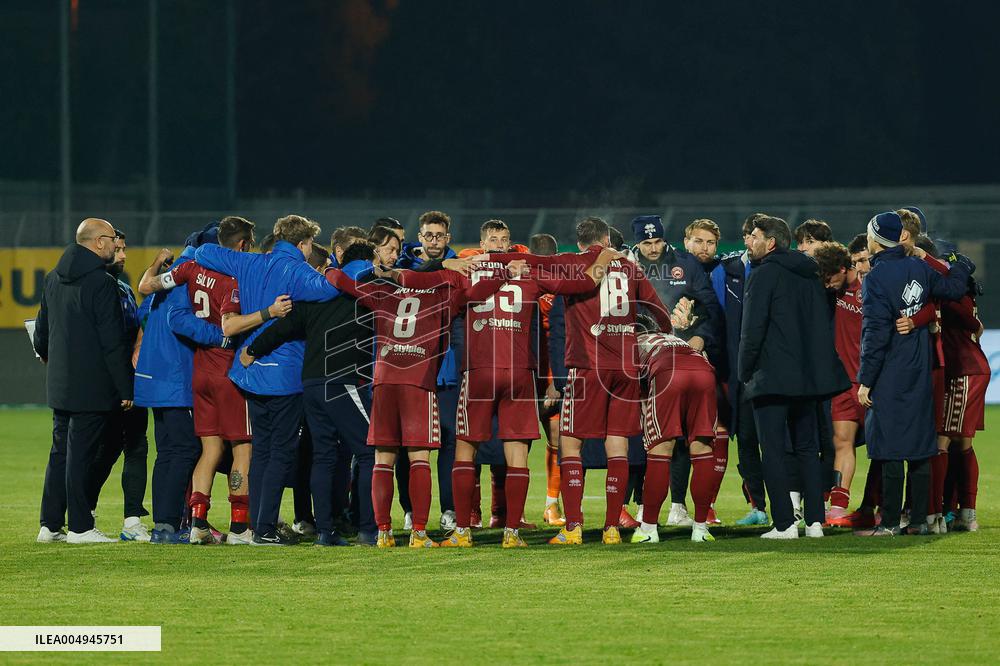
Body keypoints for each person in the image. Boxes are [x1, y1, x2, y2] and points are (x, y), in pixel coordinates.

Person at [325, 253, 506, 548]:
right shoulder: (442, 295)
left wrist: (331, 269)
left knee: (383, 459)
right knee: (419, 458)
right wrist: (505, 275)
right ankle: (419, 532)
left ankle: (384, 531)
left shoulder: (383, 292)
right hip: (418, 382)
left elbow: (343, 282)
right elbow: (478, 292)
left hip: (383, 381)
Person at [192, 215, 344, 545]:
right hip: (285, 375)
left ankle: (255, 525)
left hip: (249, 371)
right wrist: (333, 266)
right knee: (281, 453)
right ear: (303, 244)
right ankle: (264, 528)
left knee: (260, 451)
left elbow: (202, 253)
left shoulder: (249, 261)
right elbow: (331, 287)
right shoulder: (299, 271)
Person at [244, 241, 380, 546]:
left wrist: (253, 349)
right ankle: (369, 529)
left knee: (324, 456)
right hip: (344, 381)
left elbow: (286, 326)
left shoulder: (317, 291)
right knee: (370, 451)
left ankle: (324, 531)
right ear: (370, 261)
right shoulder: (369, 288)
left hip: (313, 385)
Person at [548, 216, 673, 546]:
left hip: (588, 366)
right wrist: (665, 333)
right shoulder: (631, 268)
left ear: (581, 244)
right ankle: (611, 528)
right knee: (617, 442)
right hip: (626, 367)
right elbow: (659, 312)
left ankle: (573, 526)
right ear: (607, 239)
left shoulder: (574, 264)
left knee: (571, 442)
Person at [855, 211, 974, 536]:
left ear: (875, 239)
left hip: (890, 372)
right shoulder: (919, 267)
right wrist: (962, 263)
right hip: (921, 368)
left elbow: (875, 334)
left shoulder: (877, 278)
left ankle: (891, 522)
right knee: (921, 446)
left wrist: (866, 379)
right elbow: (952, 288)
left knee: (890, 447)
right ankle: (920, 520)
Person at [739, 215, 850, 539]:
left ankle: (785, 524)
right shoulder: (810, 274)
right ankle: (815, 522)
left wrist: (744, 372)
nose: (749, 241)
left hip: (772, 377)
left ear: (771, 242)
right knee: (807, 449)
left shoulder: (762, 274)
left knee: (772, 451)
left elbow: (752, 329)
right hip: (807, 379)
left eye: (755, 236)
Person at [33, 218, 133, 544]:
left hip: (60, 382)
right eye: (109, 239)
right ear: (98, 242)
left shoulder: (52, 278)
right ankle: (79, 526)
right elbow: (112, 342)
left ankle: (49, 525)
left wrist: (48, 355)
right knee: (82, 454)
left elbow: (42, 334)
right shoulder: (101, 284)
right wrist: (125, 387)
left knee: (60, 452)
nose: (112, 245)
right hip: (91, 385)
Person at [135, 224, 234, 544]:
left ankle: (170, 522)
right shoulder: (192, 277)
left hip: (157, 376)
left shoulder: (171, 275)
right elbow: (179, 321)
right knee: (184, 450)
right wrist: (220, 336)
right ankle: (168, 525)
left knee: (169, 452)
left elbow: (143, 313)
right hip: (176, 377)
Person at [631, 214, 722, 528]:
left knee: (684, 437)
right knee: (646, 436)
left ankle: (679, 504)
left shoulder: (686, 265)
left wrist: (702, 336)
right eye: (647, 243)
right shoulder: (627, 265)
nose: (653, 249)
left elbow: (710, 307)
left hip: (684, 358)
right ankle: (644, 503)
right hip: (644, 362)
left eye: (657, 242)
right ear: (637, 243)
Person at [85, 229, 151, 541]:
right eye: (119, 249)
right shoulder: (97, 287)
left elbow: (133, 330)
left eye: (124, 249)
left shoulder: (123, 288)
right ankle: (91, 514)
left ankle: (129, 519)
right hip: (105, 384)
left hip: (127, 381)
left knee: (131, 446)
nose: (123, 256)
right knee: (107, 449)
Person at [631, 315, 721, 543]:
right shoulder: (675, 339)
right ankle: (701, 529)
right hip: (704, 372)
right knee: (702, 451)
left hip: (667, 374)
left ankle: (649, 529)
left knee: (660, 452)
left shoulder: (632, 344)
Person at [709, 213, 769, 526]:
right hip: (739, 373)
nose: (754, 241)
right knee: (746, 440)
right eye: (751, 235)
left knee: (776, 442)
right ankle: (758, 506)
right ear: (745, 237)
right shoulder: (727, 271)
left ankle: (793, 505)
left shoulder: (779, 270)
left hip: (772, 371)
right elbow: (715, 319)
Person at [813, 242, 864, 527]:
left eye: (831, 278)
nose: (827, 284)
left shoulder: (871, 291)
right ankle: (838, 506)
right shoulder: (829, 294)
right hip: (843, 382)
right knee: (842, 443)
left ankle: (883, 505)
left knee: (883, 449)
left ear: (844, 270)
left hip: (873, 382)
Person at [530, 232, 567, 526]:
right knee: (512, 442)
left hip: (550, 372)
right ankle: (498, 513)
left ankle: (551, 504)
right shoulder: (519, 282)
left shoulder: (563, 286)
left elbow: (560, 338)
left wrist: (556, 380)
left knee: (558, 436)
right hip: (522, 371)